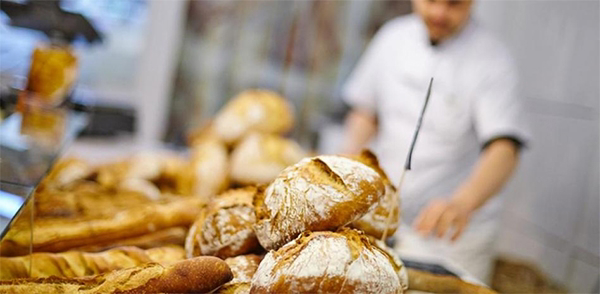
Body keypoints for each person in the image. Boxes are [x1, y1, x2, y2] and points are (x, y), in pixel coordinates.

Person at [342, 0, 529, 282]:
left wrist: (462, 203)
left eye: (454, 4)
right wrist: (346, 160)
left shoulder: (492, 59)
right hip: (383, 221)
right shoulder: (392, 37)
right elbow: (366, 112)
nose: (439, 13)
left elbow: (505, 148)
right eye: (431, 1)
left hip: (451, 237)